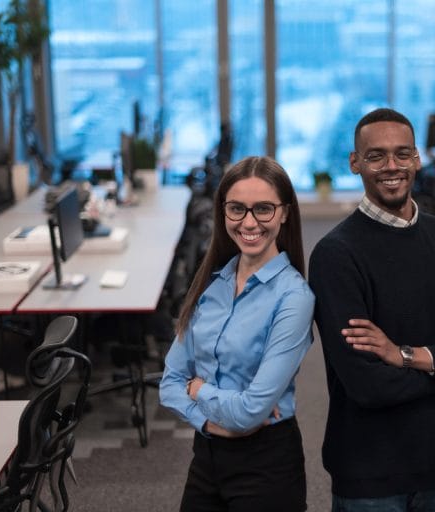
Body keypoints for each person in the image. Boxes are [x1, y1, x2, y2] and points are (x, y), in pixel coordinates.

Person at [308, 108, 435, 512]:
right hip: (368, 474)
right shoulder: (335, 255)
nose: (392, 166)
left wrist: (406, 355)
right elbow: (367, 385)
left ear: (417, 159)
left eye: (403, 154)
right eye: (376, 156)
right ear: (355, 163)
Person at [159, 156, 314, 511]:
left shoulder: (294, 298)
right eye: (236, 209)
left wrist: (197, 389)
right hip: (206, 454)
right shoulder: (211, 283)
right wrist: (209, 425)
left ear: (285, 213)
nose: (249, 222)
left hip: (267, 463)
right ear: (223, 212)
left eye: (263, 209)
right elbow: (169, 384)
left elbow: (250, 412)